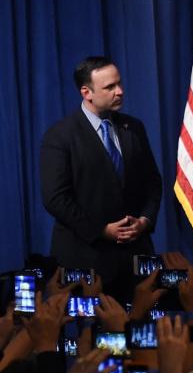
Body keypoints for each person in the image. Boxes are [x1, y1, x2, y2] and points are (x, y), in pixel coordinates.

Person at [39, 56, 162, 294]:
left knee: (140, 329)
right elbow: (55, 198)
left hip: (135, 260)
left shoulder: (134, 127)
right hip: (85, 260)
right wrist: (101, 231)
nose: (120, 91)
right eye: (110, 87)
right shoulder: (60, 136)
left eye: (119, 83)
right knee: (90, 332)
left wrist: (145, 221)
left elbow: (153, 182)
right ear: (87, 92)